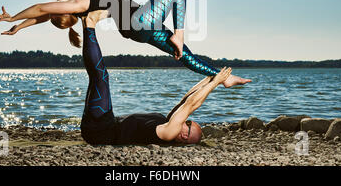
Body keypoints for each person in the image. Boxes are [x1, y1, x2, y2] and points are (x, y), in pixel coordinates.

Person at [0, 0, 228, 77]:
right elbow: (41, 9)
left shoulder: (76, 7)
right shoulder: (78, 4)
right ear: (65, 12)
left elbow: (42, 15)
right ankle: (180, 32)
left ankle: (220, 77)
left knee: (183, 55)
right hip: (140, 20)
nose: (56, 1)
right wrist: (14, 17)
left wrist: (18, 27)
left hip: (138, 30)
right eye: (57, 6)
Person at [79, 14, 251, 145]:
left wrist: (215, 83)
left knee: (101, 77)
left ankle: (89, 22)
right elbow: (187, 99)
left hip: (100, 130)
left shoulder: (167, 132)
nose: (186, 119)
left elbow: (191, 105)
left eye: (188, 123)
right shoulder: (167, 122)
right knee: (99, 78)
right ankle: (85, 20)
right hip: (105, 122)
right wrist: (215, 77)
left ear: (184, 135)